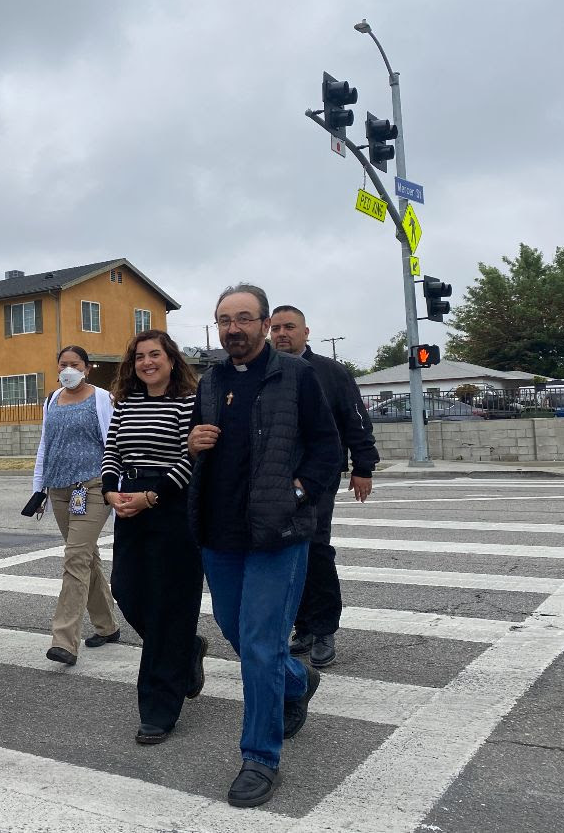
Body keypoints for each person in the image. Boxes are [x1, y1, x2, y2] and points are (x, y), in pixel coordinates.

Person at [188, 284, 341, 808]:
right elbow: (195, 443)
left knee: (259, 645)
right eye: (224, 319)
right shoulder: (209, 382)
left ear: (263, 322)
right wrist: (193, 443)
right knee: (239, 635)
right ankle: (297, 680)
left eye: (244, 319)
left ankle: (260, 757)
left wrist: (298, 492)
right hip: (220, 532)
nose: (234, 328)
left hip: (277, 533)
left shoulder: (296, 375)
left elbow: (327, 446)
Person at [101, 330, 204, 745]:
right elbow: (112, 450)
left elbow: (191, 459)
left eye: (155, 355)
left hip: (174, 507)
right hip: (130, 505)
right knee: (124, 590)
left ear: (171, 359)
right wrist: (111, 492)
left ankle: (159, 709)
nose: (147, 362)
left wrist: (151, 496)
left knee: (167, 608)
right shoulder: (126, 402)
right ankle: (185, 649)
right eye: (140, 356)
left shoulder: (187, 403)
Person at [270, 306, 379, 668]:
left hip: (318, 478)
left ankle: (324, 628)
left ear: (306, 332)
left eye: (289, 327)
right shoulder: (266, 370)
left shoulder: (331, 373)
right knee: (287, 551)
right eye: (276, 328)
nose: (282, 333)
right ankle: (303, 627)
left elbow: (355, 422)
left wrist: (363, 467)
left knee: (315, 548)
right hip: (274, 479)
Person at [30, 345, 120, 666]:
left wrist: (115, 488)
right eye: (63, 364)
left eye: (75, 364)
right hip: (59, 490)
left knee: (75, 558)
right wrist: (38, 489)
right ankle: (107, 626)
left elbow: (113, 442)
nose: (68, 370)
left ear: (87, 367)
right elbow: (45, 444)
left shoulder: (101, 398)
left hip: (93, 487)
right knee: (86, 556)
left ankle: (64, 640)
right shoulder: (52, 400)